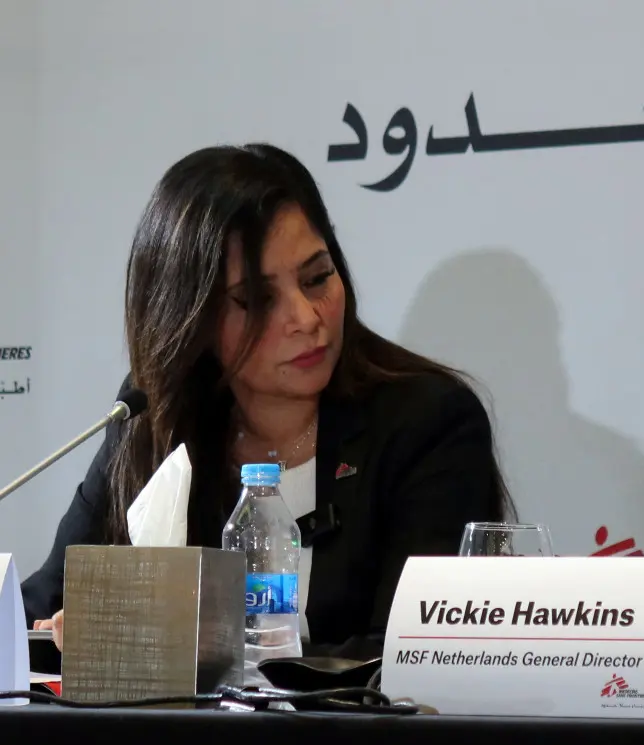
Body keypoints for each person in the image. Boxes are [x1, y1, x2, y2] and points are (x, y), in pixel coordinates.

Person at [22, 143, 513, 663]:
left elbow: (411, 656)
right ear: (191, 318)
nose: (306, 317)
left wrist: (180, 646)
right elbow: (40, 614)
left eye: (317, 277)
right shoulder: (154, 419)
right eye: (258, 300)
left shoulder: (428, 423)